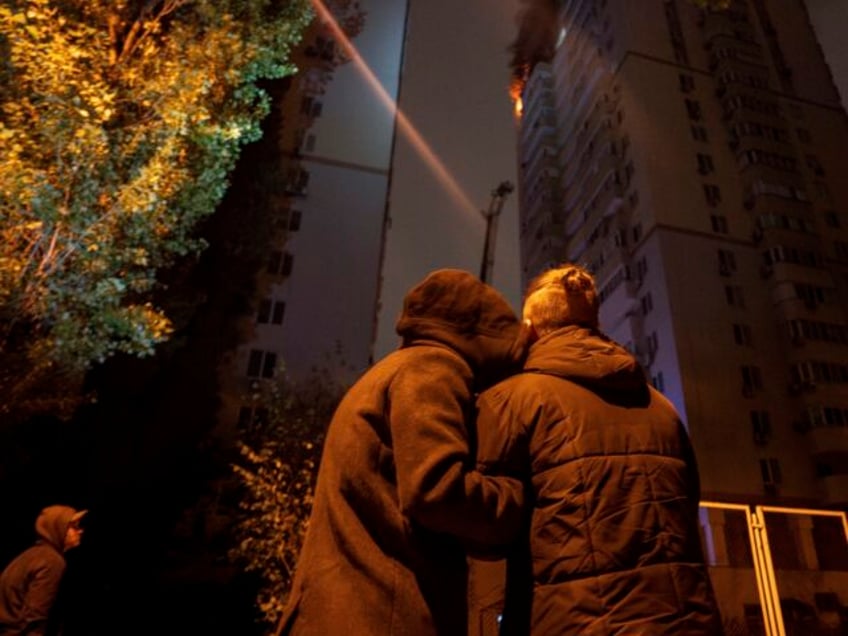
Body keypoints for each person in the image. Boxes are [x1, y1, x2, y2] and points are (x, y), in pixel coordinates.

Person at [277, 268, 531, 636]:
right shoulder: (434, 368)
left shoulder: (390, 372)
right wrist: (520, 500)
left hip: (344, 612)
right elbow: (436, 491)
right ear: (480, 341)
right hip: (383, 616)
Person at [474, 263, 723, 635]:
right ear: (596, 324)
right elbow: (687, 508)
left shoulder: (512, 402)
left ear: (527, 331)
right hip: (684, 621)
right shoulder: (661, 407)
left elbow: (485, 529)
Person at [0, 505, 86, 636]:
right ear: (57, 527)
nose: (80, 531)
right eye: (74, 526)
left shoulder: (31, 555)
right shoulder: (52, 561)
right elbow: (35, 616)